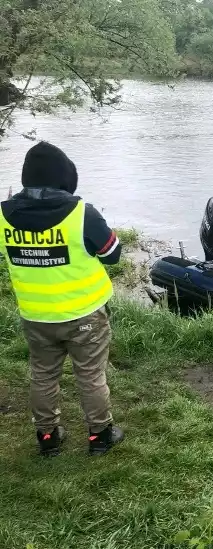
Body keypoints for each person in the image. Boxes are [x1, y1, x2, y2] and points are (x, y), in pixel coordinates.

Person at [0, 141, 125, 457]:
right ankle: (100, 436)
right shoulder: (82, 213)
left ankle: (47, 438)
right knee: (90, 376)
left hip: (36, 316)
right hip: (84, 314)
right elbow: (112, 253)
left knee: (42, 376)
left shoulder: (3, 215)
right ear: (64, 178)